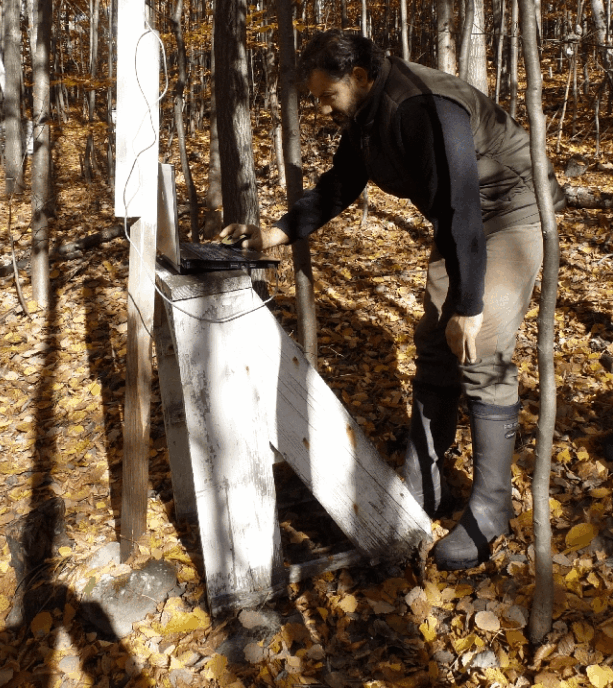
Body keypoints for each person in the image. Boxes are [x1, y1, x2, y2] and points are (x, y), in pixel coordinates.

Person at [220, 29, 564, 571]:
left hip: (508, 212)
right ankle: (424, 480)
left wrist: (469, 305)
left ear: (359, 77)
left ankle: (491, 508)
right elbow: (341, 183)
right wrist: (277, 233)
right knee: (435, 340)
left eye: (327, 96)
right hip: (461, 222)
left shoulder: (422, 108)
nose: (322, 109)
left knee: (481, 344)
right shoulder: (366, 113)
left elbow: (462, 205)